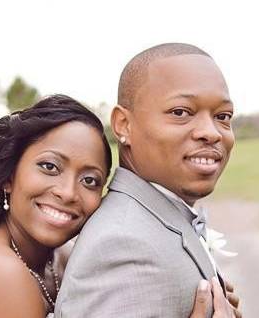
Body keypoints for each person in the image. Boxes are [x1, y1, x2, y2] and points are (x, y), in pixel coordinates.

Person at [55, 43, 241, 318]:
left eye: (222, 117)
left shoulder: (157, 218)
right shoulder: (122, 245)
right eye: (181, 112)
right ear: (123, 125)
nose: (210, 132)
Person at [0, 94, 113, 317]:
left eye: (89, 180)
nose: (68, 193)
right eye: (49, 166)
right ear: (9, 176)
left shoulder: (63, 259)